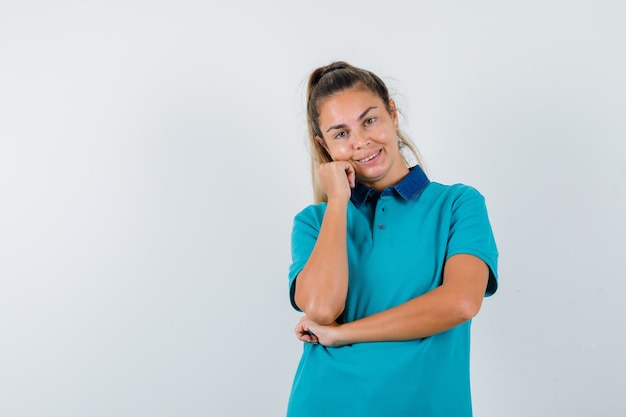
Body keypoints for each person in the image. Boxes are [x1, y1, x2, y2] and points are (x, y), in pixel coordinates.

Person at [286, 61, 498, 417]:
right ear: (324, 146)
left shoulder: (458, 204)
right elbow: (322, 309)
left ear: (392, 113)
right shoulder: (313, 223)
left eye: (369, 121)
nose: (361, 142)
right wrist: (337, 200)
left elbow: (461, 302)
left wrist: (344, 334)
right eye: (341, 134)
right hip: (324, 404)